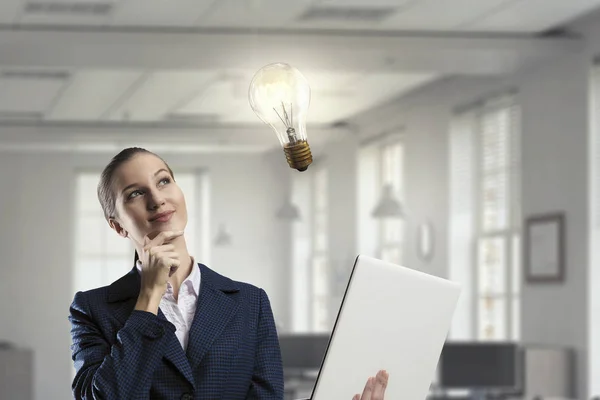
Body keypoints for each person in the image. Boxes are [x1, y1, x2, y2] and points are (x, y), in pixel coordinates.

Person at [68, 147, 389, 399]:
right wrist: (148, 297)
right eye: (135, 194)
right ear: (117, 225)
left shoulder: (251, 303)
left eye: (163, 180)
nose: (157, 199)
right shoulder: (92, 310)